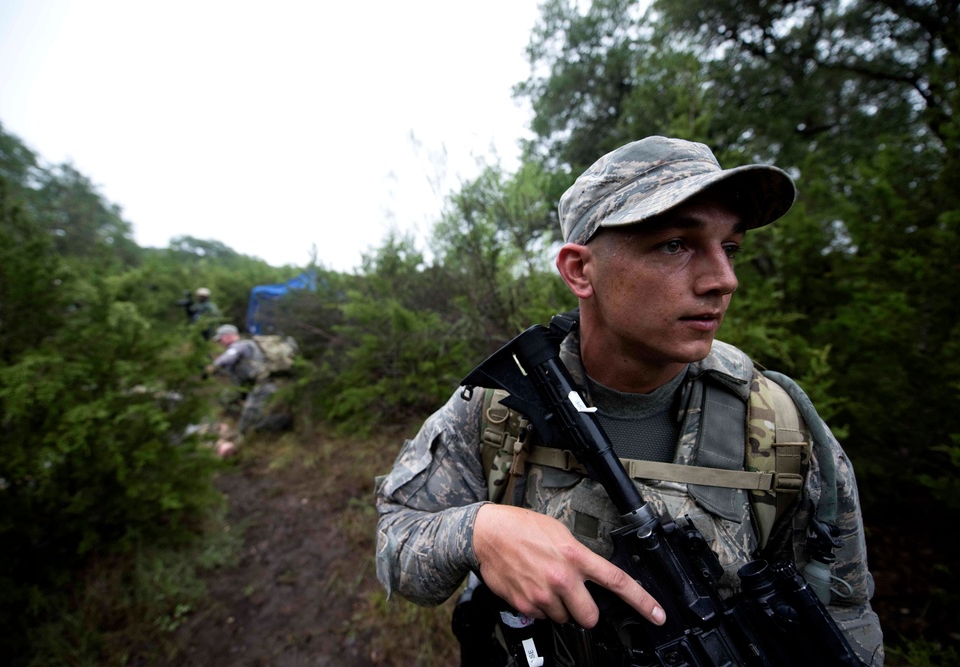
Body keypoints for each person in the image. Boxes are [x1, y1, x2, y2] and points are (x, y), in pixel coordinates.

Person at [374, 136, 884, 665]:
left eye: (729, 248)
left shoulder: (779, 424)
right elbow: (396, 538)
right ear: (579, 270)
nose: (723, 280)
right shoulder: (502, 407)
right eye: (675, 245)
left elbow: (846, 610)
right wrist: (477, 531)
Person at [209, 324, 290, 441]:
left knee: (246, 427)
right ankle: (240, 421)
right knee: (226, 398)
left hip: (262, 387)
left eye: (220, 338)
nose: (220, 342)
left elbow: (227, 359)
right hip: (254, 387)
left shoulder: (241, 346)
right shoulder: (245, 346)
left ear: (227, 336)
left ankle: (282, 421)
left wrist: (211, 368)